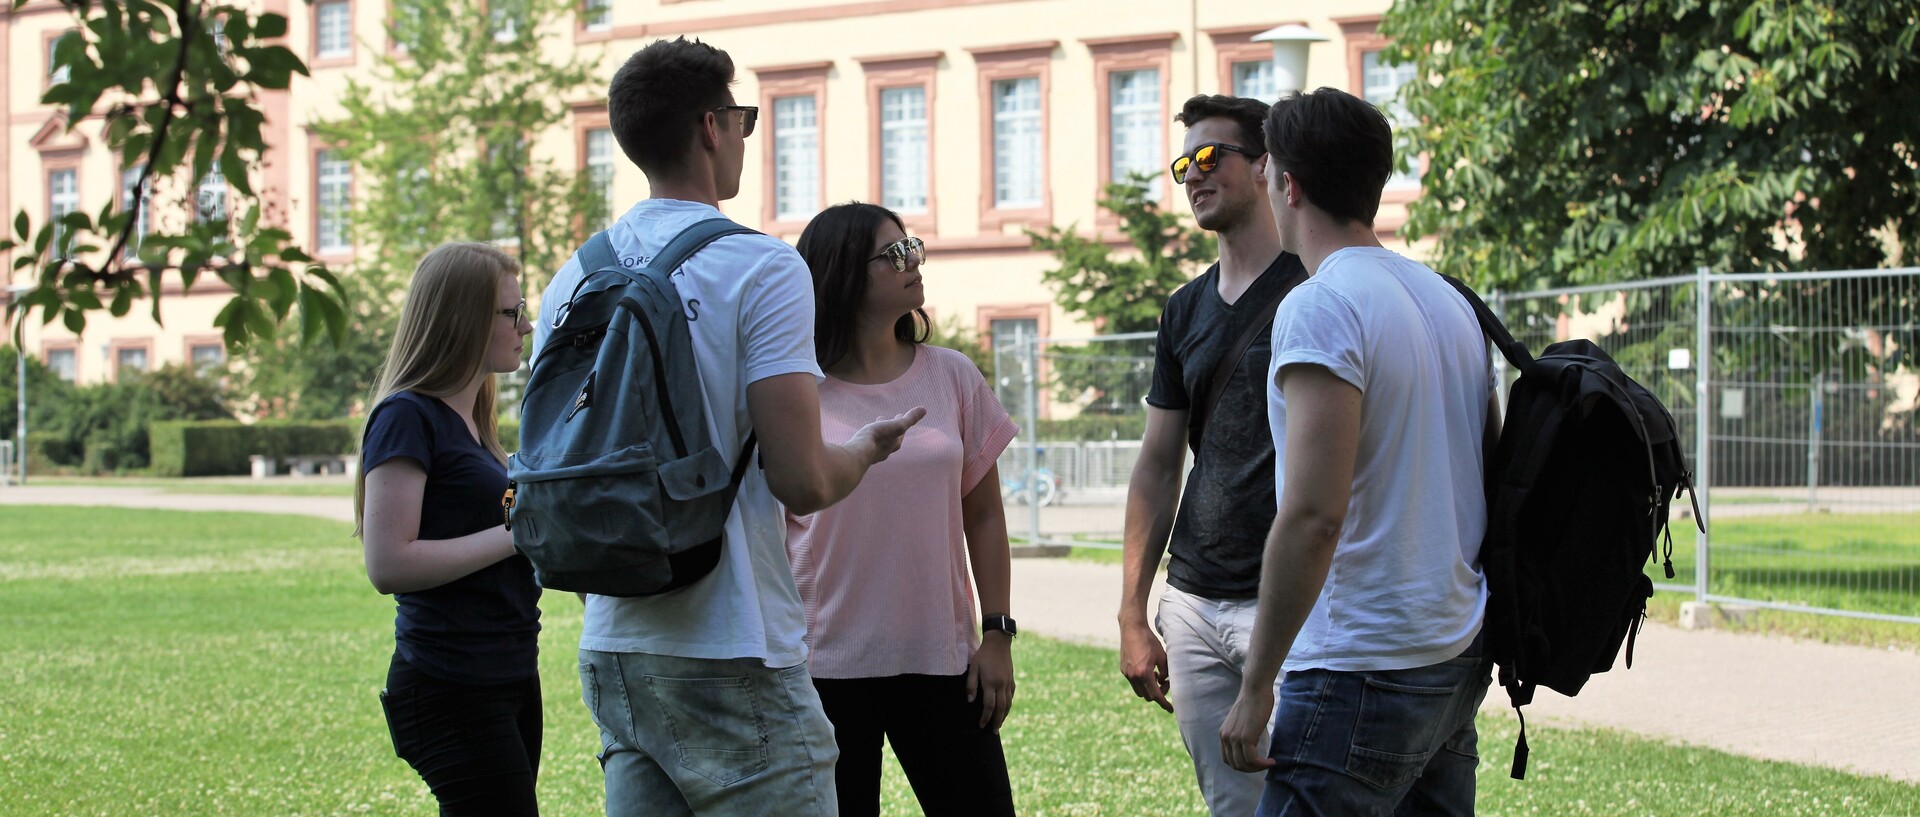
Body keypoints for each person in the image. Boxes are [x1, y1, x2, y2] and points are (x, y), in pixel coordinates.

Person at [535, 39, 922, 816]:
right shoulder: (762, 266)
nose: (746, 135)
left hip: (614, 644)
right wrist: (864, 451)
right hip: (731, 643)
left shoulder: (574, 275)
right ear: (712, 128)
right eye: (743, 118)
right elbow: (802, 479)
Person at [1217, 87, 1499, 815]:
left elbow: (1314, 513)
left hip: (1356, 665)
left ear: (1287, 184)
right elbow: (1487, 467)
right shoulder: (1448, 299)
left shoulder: (1321, 305)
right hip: (1452, 650)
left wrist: (1256, 687)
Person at [787, 202, 1021, 817]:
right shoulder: (794, 393)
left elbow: (986, 516)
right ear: (840, 274)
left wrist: (996, 633)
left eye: (911, 245)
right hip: (821, 669)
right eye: (893, 254)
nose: (913, 260)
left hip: (943, 661)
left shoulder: (952, 376)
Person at [1117, 94, 1306, 816]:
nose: (1193, 174)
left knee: (1303, 799)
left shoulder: (1312, 287)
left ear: (1264, 167)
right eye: (1183, 163)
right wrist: (1134, 612)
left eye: (1210, 156)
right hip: (1192, 604)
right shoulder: (1182, 309)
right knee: (1231, 806)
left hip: (1288, 602)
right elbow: (1159, 465)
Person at [355, 242, 542, 816]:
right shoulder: (406, 416)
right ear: (463, 318)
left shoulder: (477, 421)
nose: (527, 326)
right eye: (511, 313)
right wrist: (521, 533)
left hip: (506, 670)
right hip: (449, 680)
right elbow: (388, 564)